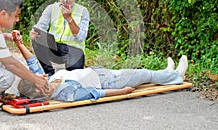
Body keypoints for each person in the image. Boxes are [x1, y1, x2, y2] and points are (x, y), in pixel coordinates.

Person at [14, 33, 189, 102]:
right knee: (142, 74)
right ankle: (176, 76)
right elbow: (96, 94)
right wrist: (123, 92)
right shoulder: (66, 93)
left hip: (97, 72)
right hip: (110, 82)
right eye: (36, 79)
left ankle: (167, 73)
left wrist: (19, 43)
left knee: (143, 74)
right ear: (38, 88)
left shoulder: (48, 81)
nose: (39, 75)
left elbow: (32, 63)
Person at [30, 0, 90, 76]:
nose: (66, 0)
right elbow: (40, 26)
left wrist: (69, 19)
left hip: (74, 49)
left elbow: (81, 37)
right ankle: (50, 73)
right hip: (55, 46)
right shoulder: (51, 8)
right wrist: (34, 32)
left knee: (74, 75)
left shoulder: (83, 11)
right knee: (37, 38)